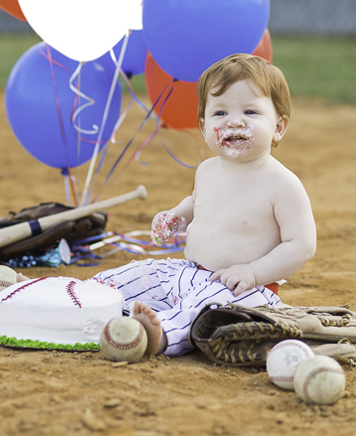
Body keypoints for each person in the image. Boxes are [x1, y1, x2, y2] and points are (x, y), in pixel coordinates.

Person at [21, 54, 316, 357]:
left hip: (242, 290)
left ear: (279, 127)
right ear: (204, 126)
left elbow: (302, 245)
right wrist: (178, 214)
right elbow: (198, 202)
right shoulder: (207, 170)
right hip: (188, 271)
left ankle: (156, 334)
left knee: (201, 311)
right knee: (141, 273)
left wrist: (252, 272)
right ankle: (63, 296)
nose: (234, 121)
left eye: (251, 111)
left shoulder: (282, 184)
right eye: (220, 113)